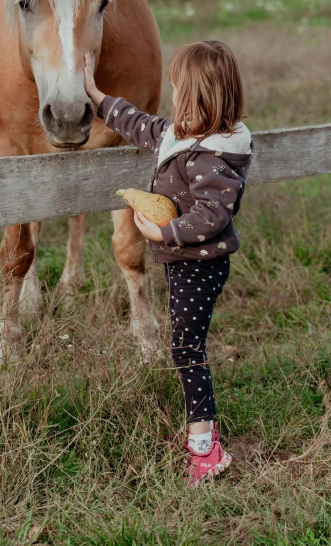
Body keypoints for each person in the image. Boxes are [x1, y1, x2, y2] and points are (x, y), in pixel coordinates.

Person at [83, 40, 254, 487]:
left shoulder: (216, 156)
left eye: (179, 90)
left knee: (186, 350)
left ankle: (205, 446)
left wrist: (164, 234)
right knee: (186, 346)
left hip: (200, 264)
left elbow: (214, 216)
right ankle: (203, 437)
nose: (174, 96)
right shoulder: (183, 136)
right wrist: (98, 98)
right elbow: (140, 124)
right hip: (185, 264)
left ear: (201, 97)